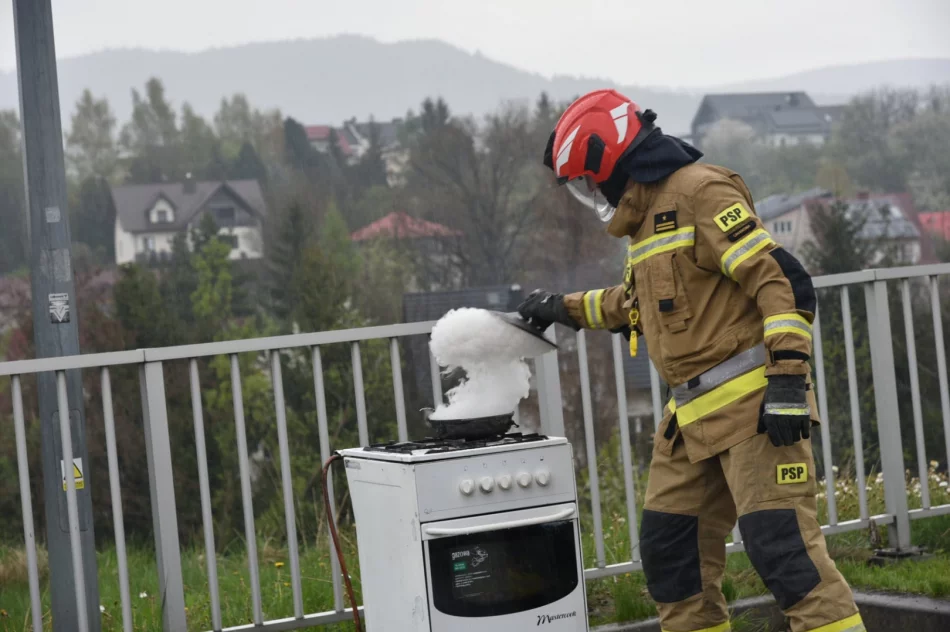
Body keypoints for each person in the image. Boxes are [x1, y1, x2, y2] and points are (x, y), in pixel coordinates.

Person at [518, 89, 864, 632]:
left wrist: (789, 384)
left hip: (756, 412)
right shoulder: (646, 220)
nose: (590, 194)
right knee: (672, 559)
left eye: (587, 180)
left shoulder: (701, 191)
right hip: (691, 422)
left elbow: (784, 283)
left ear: (609, 160)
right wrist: (559, 308)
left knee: (785, 555)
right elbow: (635, 305)